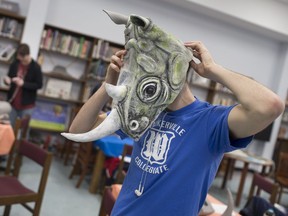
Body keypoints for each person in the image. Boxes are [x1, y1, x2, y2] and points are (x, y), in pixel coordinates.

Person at [68, 41, 284, 216]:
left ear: (178, 70)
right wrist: (109, 84)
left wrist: (212, 70)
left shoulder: (211, 121)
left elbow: (270, 106)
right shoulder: (146, 111)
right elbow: (78, 130)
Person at [4, 43, 43, 126]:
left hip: (27, 105)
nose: (19, 59)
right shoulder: (15, 63)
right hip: (12, 103)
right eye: (18, 57)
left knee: (23, 132)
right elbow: (10, 77)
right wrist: (7, 80)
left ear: (27, 55)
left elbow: (39, 85)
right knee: (8, 128)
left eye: (21, 57)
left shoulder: (36, 67)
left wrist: (23, 84)